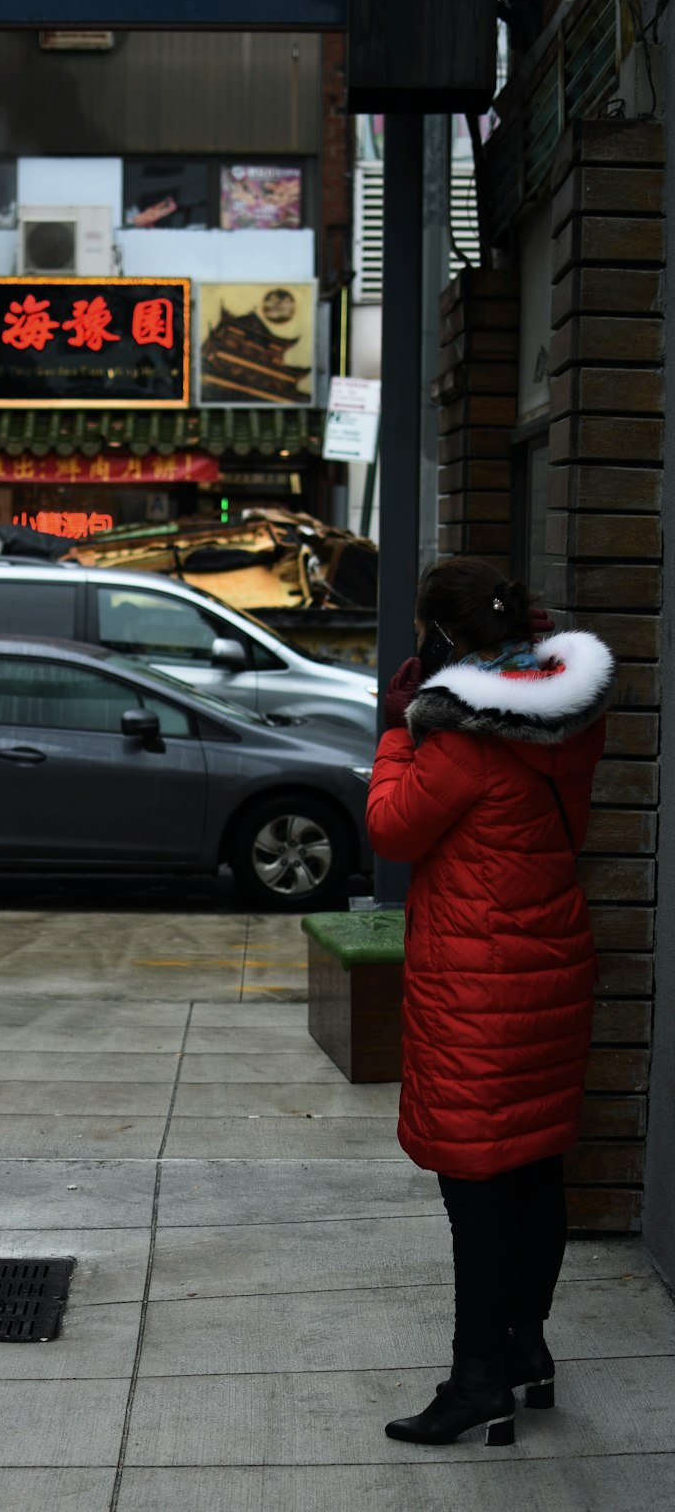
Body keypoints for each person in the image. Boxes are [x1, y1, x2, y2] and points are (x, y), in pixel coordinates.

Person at [366, 557, 614, 1448]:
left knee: (477, 1186)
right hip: (548, 968)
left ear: (440, 636)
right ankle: (523, 1347)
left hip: (481, 983)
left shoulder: (461, 738)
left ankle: (477, 1382)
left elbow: (391, 827)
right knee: (533, 1166)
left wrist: (399, 729)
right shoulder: (563, 715)